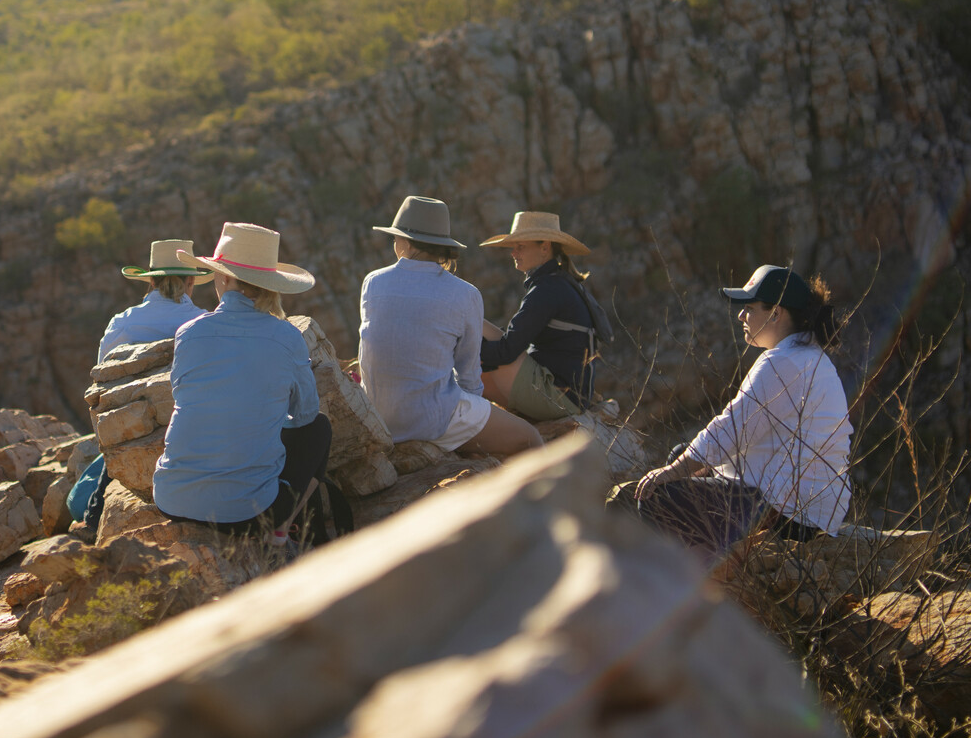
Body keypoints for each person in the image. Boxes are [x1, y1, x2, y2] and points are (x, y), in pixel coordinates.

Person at [618, 264, 851, 558]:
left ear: (776, 313)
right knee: (680, 455)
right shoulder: (808, 357)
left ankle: (690, 586)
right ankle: (709, 569)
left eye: (750, 308)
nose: (741, 316)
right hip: (807, 509)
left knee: (659, 498)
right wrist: (683, 466)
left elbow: (731, 430)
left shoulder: (782, 364)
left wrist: (674, 471)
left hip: (790, 517)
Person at [151, 222, 341, 544]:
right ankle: (280, 531)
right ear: (269, 284)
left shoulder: (189, 333)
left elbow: (186, 397)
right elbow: (306, 414)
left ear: (223, 277)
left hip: (172, 502)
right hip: (249, 516)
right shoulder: (287, 337)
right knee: (319, 429)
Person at [357, 196, 544, 457]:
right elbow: (468, 375)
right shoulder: (465, 294)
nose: (394, 242)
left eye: (395, 236)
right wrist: (476, 418)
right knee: (531, 439)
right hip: (433, 419)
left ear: (406, 243)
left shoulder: (372, 282)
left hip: (379, 416)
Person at [479, 211, 605, 421]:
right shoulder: (557, 282)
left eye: (520, 246)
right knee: (472, 379)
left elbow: (507, 351)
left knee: (474, 322)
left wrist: (465, 352)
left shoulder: (547, 289)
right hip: (571, 396)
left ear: (544, 248)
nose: (513, 253)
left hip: (561, 398)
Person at [97, 239, 211, 362]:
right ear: (191, 281)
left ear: (152, 281)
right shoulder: (205, 322)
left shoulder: (120, 324)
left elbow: (100, 372)